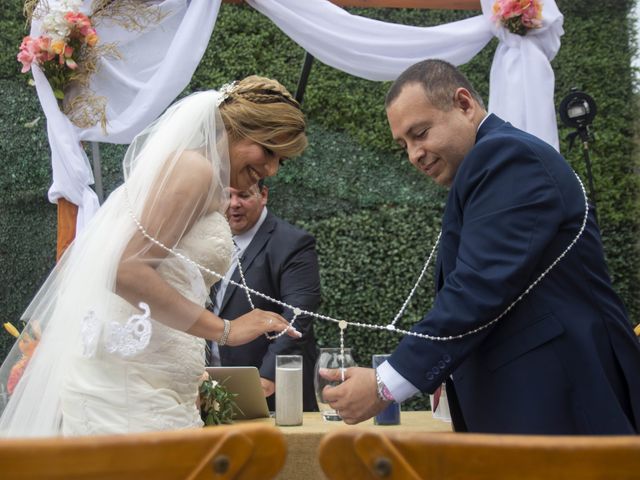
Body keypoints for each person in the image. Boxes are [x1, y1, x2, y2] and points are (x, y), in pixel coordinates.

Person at [322, 59, 640, 434]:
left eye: (420, 132)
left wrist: (385, 383)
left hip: (560, 402)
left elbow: (478, 287)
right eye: (404, 144)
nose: (413, 154)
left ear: (464, 104)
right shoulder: (491, 164)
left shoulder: (506, 156)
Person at [0, 75, 308, 437]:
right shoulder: (196, 169)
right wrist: (228, 330)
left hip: (154, 379)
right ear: (238, 127)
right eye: (268, 150)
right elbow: (126, 270)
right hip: (128, 388)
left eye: (280, 162)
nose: (270, 169)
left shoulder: (206, 182)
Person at [210, 180, 320, 412]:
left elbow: (298, 315)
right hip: (208, 383)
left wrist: (268, 376)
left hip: (272, 390)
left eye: (244, 195)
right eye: (227, 196)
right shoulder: (205, 240)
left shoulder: (293, 243)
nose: (234, 204)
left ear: (264, 195)